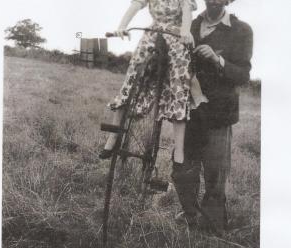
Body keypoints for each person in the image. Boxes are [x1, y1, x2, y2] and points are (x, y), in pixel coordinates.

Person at [171, 0, 253, 235]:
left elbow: (243, 75)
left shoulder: (241, 30)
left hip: (219, 114)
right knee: (183, 168)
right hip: (188, 113)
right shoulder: (191, 24)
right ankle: (190, 219)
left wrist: (218, 60)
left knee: (215, 174)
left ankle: (212, 228)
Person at [99, 0, 208, 169]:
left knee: (180, 86)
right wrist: (122, 26)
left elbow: (187, 10)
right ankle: (113, 136)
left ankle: (179, 150)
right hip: (152, 35)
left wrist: (185, 31)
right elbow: (136, 5)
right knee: (132, 76)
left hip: (176, 37)